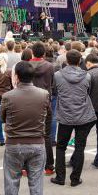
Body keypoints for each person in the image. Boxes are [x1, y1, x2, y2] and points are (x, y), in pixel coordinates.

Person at [0, 61, 50, 195]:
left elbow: (2, 117)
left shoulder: (8, 96)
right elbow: (49, 116)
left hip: (14, 144)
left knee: (11, 184)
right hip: (37, 143)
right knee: (36, 185)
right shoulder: (44, 94)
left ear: (16, 76)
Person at [51, 50, 96, 187]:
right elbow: (88, 92)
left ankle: (60, 177)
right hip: (83, 115)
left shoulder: (58, 75)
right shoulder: (87, 76)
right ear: (80, 61)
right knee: (80, 147)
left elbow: (55, 91)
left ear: (66, 61)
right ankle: (75, 179)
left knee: (60, 147)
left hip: (65, 115)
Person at [30, 42, 55, 175]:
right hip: (45, 101)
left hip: (29, 102)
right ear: (44, 53)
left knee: (28, 134)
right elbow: (52, 83)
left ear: (32, 52)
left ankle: (27, 167)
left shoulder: (26, 65)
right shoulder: (49, 66)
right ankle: (49, 166)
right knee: (46, 136)